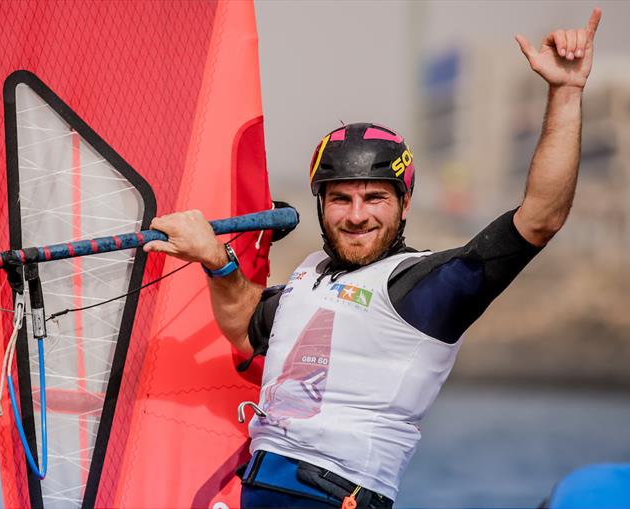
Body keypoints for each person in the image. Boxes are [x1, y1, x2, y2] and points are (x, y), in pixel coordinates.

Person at [144, 8, 603, 508]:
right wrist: (219, 262)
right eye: (341, 198)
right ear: (321, 205)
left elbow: (539, 220)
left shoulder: (427, 288)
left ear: (404, 205)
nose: (357, 215)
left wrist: (566, 92)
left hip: (336, 495)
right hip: (259, 487)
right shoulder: (311, 275)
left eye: (375, 198)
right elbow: (248, 329)